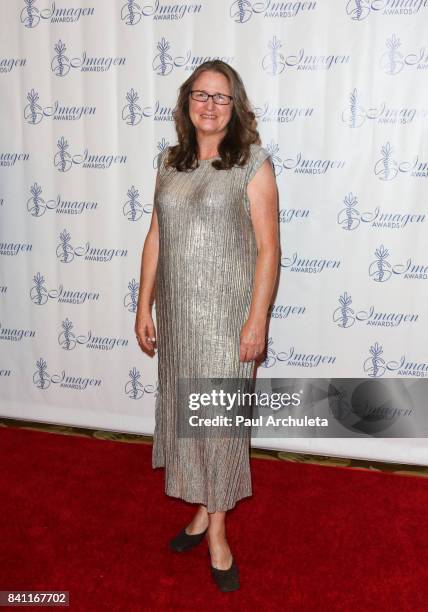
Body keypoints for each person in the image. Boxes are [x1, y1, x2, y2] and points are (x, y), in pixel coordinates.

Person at [135, 60, 279, 592]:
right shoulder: (169, 163)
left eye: (221, 97)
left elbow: (269, 249)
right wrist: (142, 304)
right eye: (201, 95)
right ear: (187, 102)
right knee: (188, 416)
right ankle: (202, 508)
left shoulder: (252, 164)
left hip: (228, 319)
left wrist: (256, 320)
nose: (210, 105)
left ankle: (217, 531)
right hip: (179, 319)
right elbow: (155, 237)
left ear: (234, 105)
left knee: (218, 424)